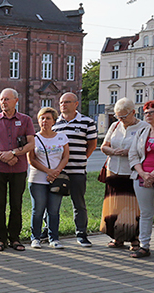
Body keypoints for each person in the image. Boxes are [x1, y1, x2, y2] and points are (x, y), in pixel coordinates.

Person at [0, 88, 35, 252]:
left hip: (18, 168)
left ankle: (15, 238)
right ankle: (0, 239)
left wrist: (13, 153)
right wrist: (1, 155)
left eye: (7, 99)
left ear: (16, 101)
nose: (3, 102)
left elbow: (31, 144)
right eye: (1, 99)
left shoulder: (26, 120)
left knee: (16, 204)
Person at [51, 92, 98, 247]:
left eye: (67, 102)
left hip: (77, 170)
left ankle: (81, 234)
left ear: (76, 104)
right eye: (61, 102)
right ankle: (49, 231)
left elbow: (92, 144)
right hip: (59, 172)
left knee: (79, 203)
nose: (63, 105)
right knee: (53, 204)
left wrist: (82, 158)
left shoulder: (87, 122)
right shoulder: (55, 124)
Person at [100, 97, 142, 249]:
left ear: (133, 112)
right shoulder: (115, 126)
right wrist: (113, 151)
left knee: (132, 207)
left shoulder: (143, 127)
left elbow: (146, 149)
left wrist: (129, 152)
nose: (122, 119)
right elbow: (104, 146)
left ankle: (134, 239)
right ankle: (117, 238)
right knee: (115, 207)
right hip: (114, 170)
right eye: (119, 116)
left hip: (132, 172)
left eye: (124, 116)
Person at [28, 107, 69, 249]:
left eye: (48, 118)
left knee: (53, 210)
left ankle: (54, 238)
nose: (45, 121)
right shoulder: (33, 138)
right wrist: (48, 171)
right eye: (42, 118)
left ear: (54, 121)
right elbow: (31, 160)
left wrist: (57, 171)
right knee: (37, 210)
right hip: (37, 179)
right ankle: (35, 238)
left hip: (56, 178)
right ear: (38, 121)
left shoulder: (61, 137)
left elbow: (65, 156)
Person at [128, 100, 154, 258]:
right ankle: (144, 246)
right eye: (146, 112)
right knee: (145, 213)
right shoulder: (142, 132)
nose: (148, 115)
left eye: (151, 112)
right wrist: (144, 174)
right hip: (142, 176)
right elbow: (133, 154)